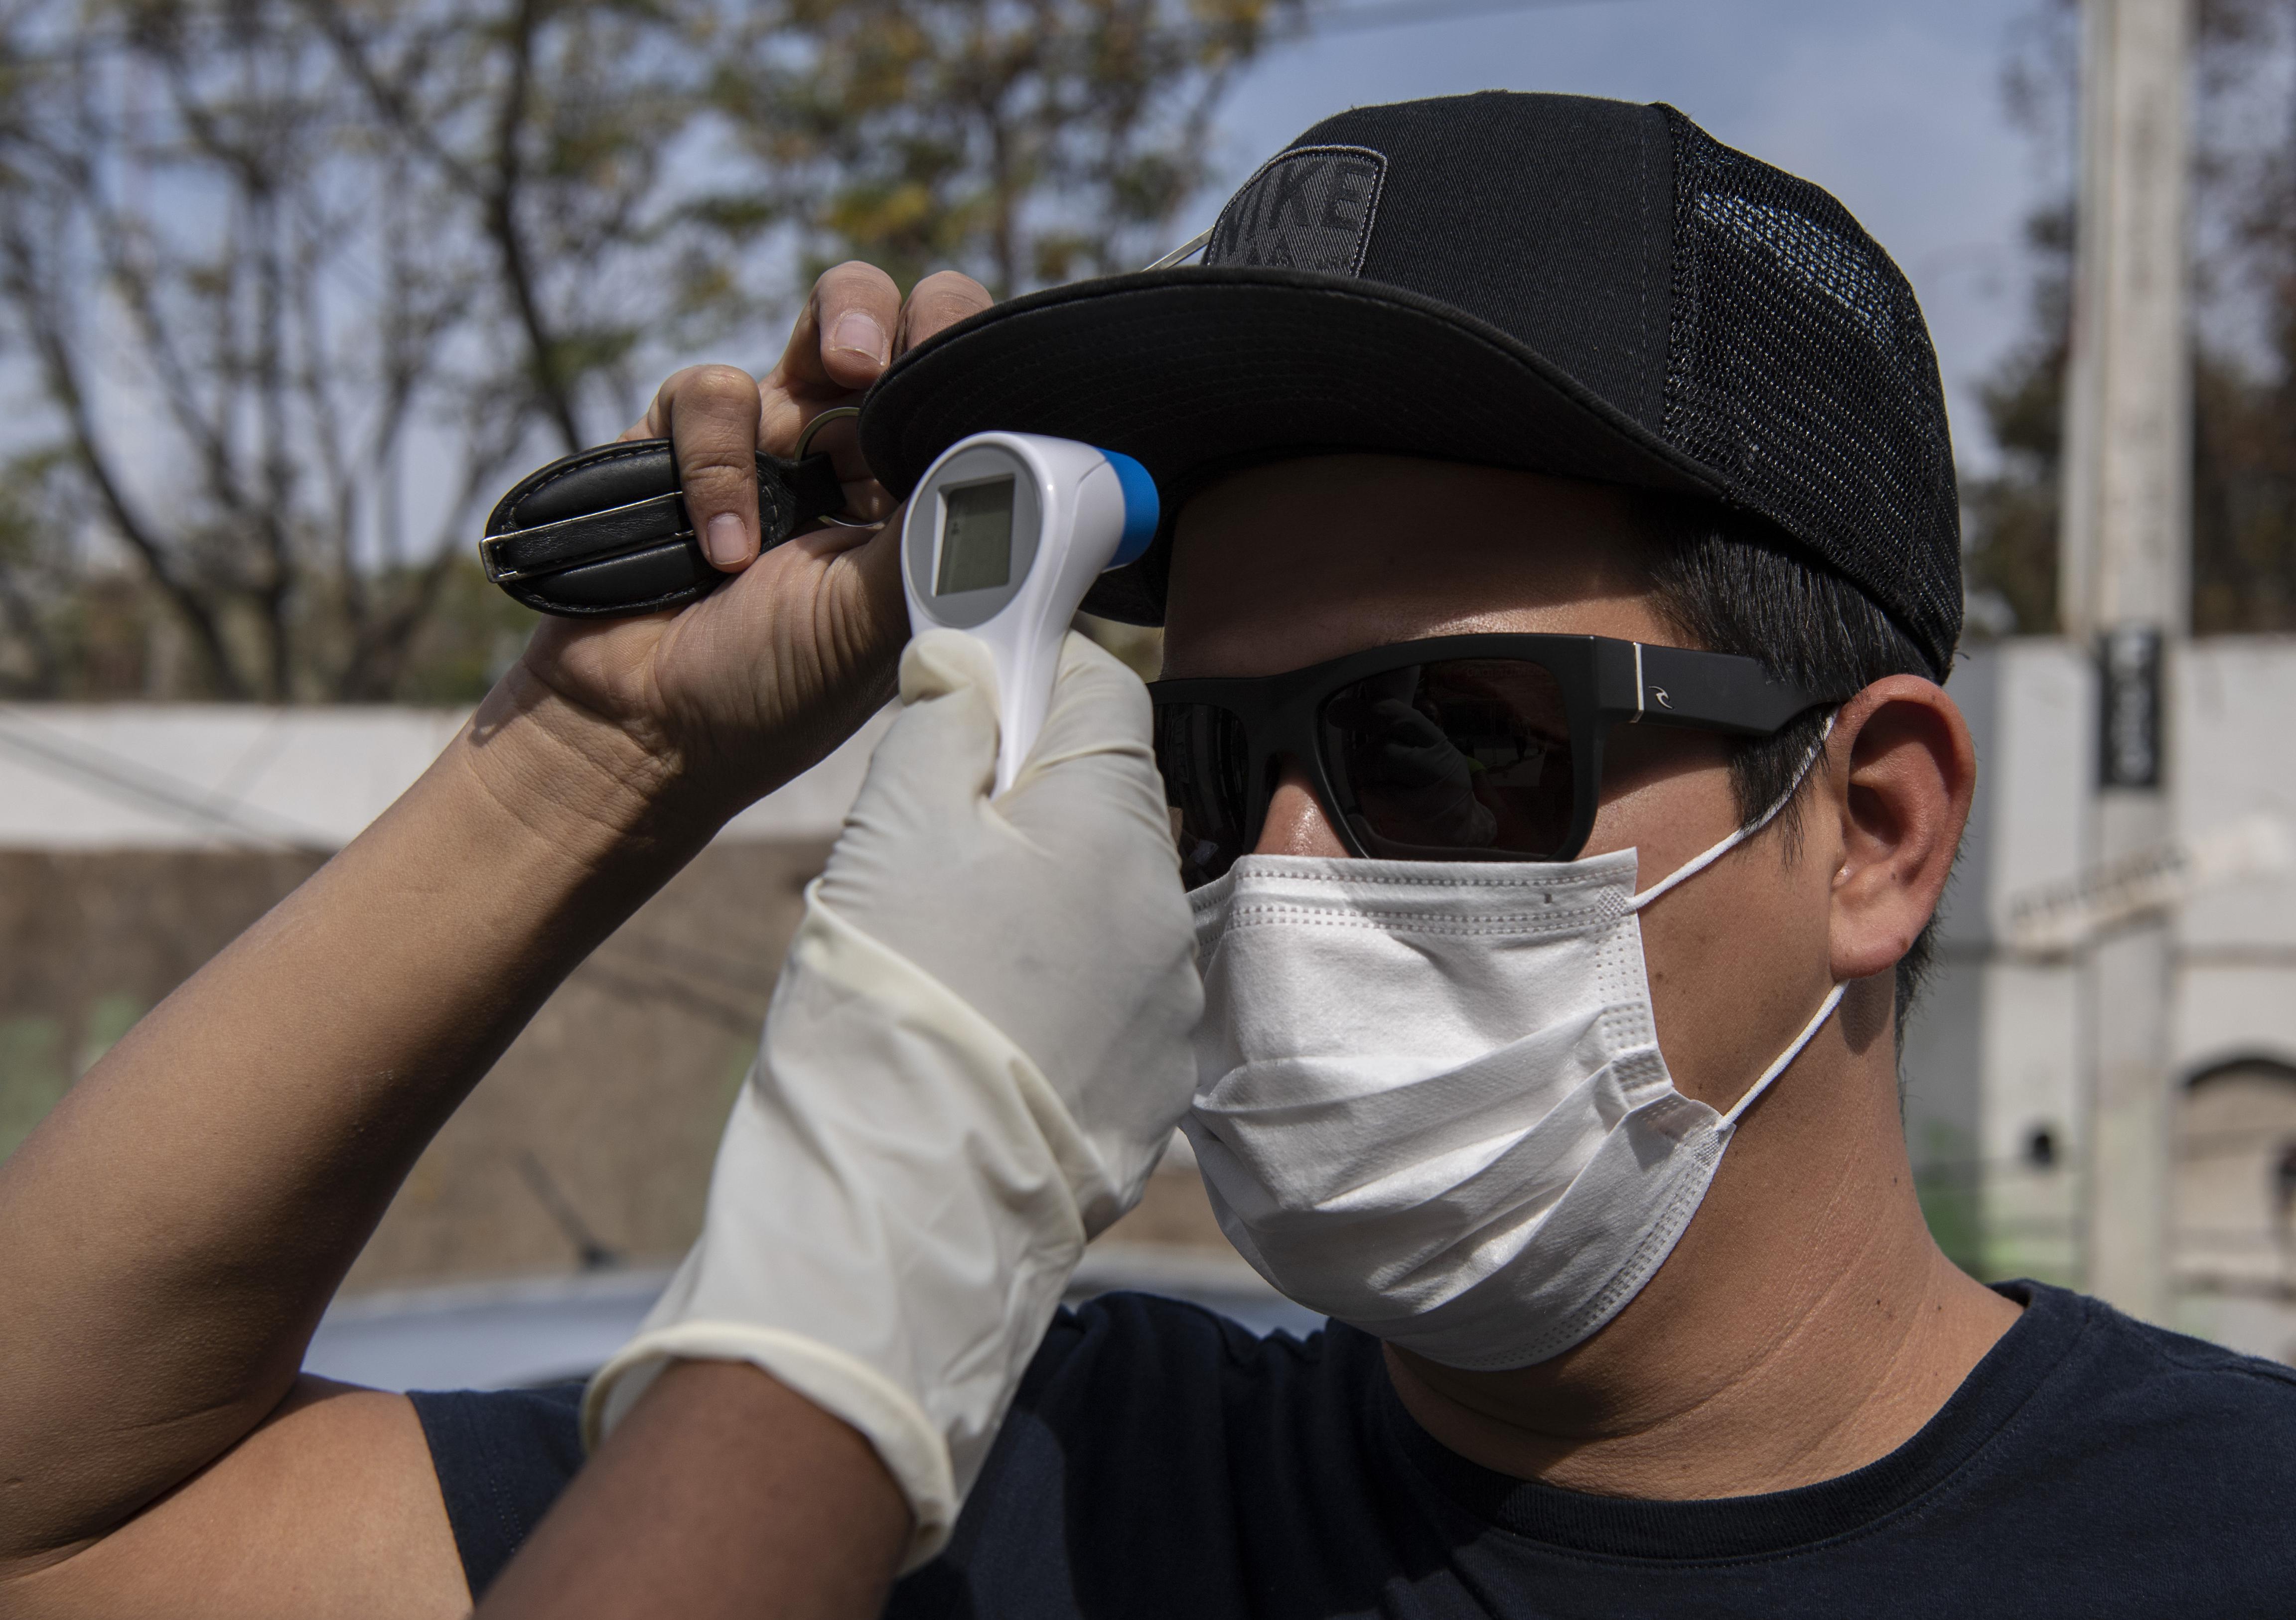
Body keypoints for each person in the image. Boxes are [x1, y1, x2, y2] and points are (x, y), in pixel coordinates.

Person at [4, 90, 2294, 1620]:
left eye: (1435, 743)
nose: (1279, 866)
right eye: (1201, 767)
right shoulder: (1008, 1492)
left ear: (1875, 828)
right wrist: (587, 760)